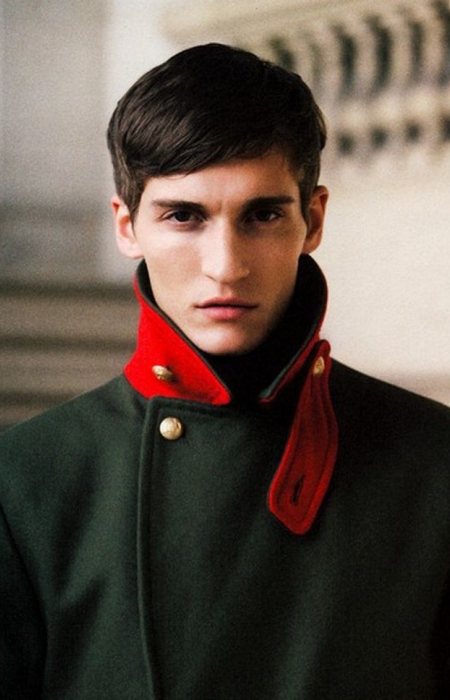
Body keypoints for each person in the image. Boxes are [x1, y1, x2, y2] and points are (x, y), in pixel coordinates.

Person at [1, 43, 449, 700]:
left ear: (313, 220)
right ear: (127, 226)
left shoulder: (434, 464)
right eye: (183, 216)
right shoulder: (25, 483)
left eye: (262, 215)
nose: (225, 265)